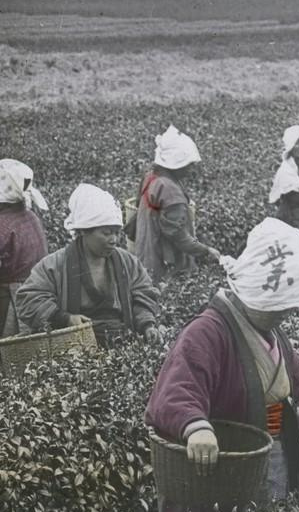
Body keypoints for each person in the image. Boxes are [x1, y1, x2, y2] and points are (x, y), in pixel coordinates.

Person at [145, 218, 299, 512]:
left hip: (273, 461)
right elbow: (176, 391)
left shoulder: (275, 336)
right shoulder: (207, 332)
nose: (285, 316)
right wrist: (196, 427)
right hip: (220, 471)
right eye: (278, 309)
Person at [16, 183, 162, 347]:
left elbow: (143, 295)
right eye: (106, 233)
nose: (113, 240)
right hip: (74, 350)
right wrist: (65, 318)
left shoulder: (128, 262)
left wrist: (147, 324)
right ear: (84, 231)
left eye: (116, 232)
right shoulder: (55, 264)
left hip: (123, 345)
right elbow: (28, 300)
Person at [133, 124, 222, 283]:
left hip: (143, 257)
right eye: (188, 164)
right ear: (177, 164)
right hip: (164, 266)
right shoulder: (170, 191)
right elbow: (178, 236)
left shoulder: (150, 177)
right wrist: (206, 251)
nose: (191, 169)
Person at [0, 159, 49, 338]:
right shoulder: (30, 216)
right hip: (38, 290)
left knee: (8, 343)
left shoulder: (3, 224)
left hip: (10, 297)